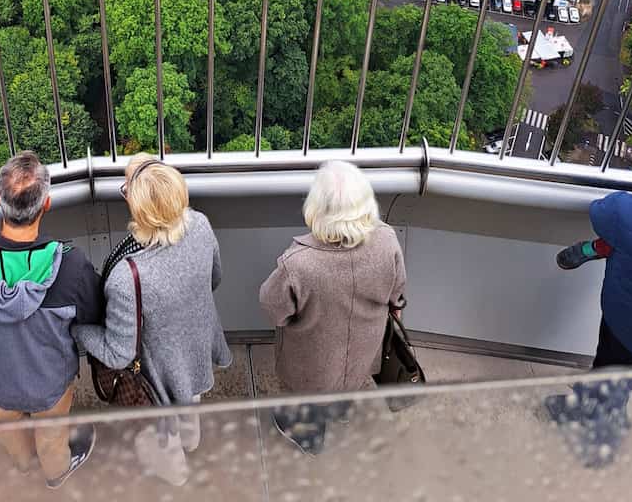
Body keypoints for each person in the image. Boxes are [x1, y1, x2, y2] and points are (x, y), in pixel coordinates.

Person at [0, 151, 103, 489]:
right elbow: (94, 313)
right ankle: (55, 480)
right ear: (47, 205)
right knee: (51, 433)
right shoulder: (69, 267)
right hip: (48, 380)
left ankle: (25, 468)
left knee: (6, 420)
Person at [74, 154, 231, 485]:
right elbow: (215, 278)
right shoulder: (200, 224)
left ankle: (175, 472)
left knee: (163, 427)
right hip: (198, 341)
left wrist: (78, 331)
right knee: (191, 397)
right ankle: (192, 440)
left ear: (136, 208)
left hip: (158, 364)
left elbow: (118, 354)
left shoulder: (125, 277)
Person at [259, 160, 407, 454]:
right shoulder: (387, 240)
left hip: (312, 357)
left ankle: (309, 438)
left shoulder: (298, 263)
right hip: (364, 347)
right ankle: (340, 411)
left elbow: (272, 307)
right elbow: (397, 292)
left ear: (317, 207)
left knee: (309, 396)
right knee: (349, 379)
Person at [545, 189, 632, 466]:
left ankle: (602, 443)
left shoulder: (630, 214)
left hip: (625, 323)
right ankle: (593, 404)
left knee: (610, 373)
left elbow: (601, 208)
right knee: (621, 376)